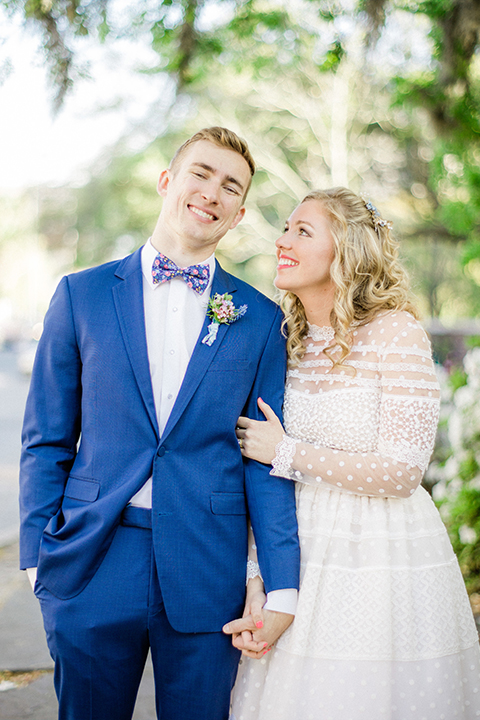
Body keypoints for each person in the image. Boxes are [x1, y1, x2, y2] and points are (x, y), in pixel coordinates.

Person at [19, 127, 301, 720]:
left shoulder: (258, 319)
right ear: (168, 181)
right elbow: (46, 438)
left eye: (231, 186)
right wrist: (36, 555)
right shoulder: (80, 295)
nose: (212, 193)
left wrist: (281, 586)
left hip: (207, 568)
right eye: (200, 173)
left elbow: (265, 462)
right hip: (92, 561)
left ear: (240, 212)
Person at [225, 187, 480, 719]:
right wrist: (257, 577)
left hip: (381, 559)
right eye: (286, 228)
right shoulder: (283, 339)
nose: (282, 240)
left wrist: (288, 451)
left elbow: (404, 471)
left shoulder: (396, 333)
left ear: (347, 250)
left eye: (302, 230)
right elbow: (263, 479)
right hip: (295, 553)